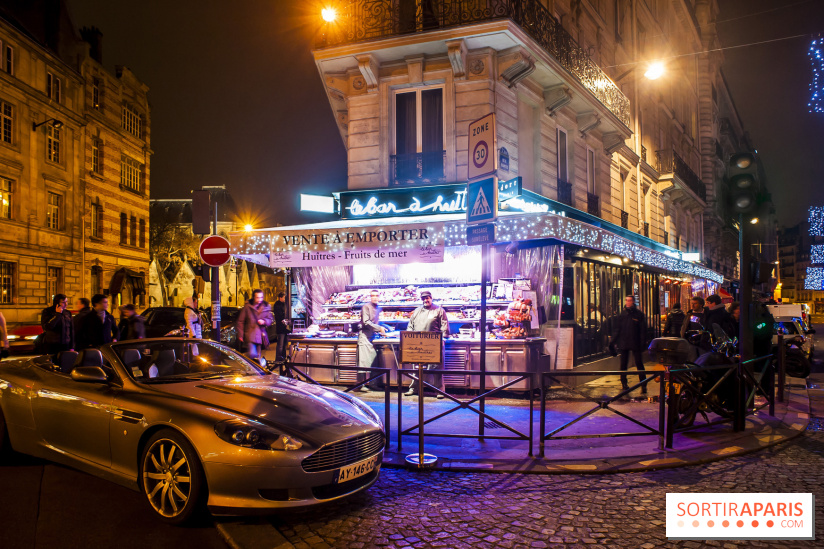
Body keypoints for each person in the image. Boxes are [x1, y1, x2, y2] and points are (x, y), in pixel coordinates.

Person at [405, 290, 449, 398]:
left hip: (434, 344)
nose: (426, 300)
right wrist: (409, 338)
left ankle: (440, 391)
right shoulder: (416, 311)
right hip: (419, 344)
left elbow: (444, 326)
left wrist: (443, 339)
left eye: (427, 298)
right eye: (424, 298)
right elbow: (410, 326)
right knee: (417, 368)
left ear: (431, 298)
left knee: (437, 368)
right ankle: (413, 388)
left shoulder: (439, 310)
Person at [609, 294, 648, 393]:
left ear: (633, 302)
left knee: (639, 363)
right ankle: (624, 383)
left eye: (629, 300)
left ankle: (643, 383)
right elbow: (617, 329)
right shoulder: (622, 315)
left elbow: (642, 330)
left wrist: (642, 343)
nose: (627, 302)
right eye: (626, 300)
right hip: (624, 342)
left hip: (635, 342)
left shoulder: (638, 314)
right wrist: (613, 341)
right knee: (623, 364)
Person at [357, 289, 390, 392]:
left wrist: (386, 327)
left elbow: (377, 322)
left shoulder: (378, 308)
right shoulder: (366, 307)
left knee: (373, 361)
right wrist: (379, 328)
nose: (375, 297)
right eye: (373, 295)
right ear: (370, 297)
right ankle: (360, 385)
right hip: (364, 336)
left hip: (373, 336)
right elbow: (366, 322)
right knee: (362, 362)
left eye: (376, 295)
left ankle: (373, 384)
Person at [236, 289, 273, 360]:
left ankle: (251, 364)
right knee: (252, 353)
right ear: (254, 297)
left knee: (257, 357)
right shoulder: (247, 307)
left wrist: (264, 321)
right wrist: (240, 334)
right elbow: (240, 321)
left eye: (261, 297)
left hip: (260, 336)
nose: (260, 299)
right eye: (258, 297)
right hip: (250, 335)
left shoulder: (266, 307)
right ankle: (247, 361)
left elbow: (270, 320)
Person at [41, 293, 74, 359]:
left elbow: (71, 330)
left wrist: (72, 346)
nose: (66, 304)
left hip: (65, 345)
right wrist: (58, 314)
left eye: (66, 302)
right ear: (57, 303)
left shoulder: (67, 313)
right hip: (52, 345)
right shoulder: (48, 312)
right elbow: (47, 327)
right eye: (63, 302)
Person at [273, 292, 290, 360]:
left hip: (284, 328)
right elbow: (279, 316)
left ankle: (283, 358)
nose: (285, 299)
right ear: (280, 298)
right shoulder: (277, 305)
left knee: (284, 344)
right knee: (280, 344)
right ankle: (278, 359)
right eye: (284, 297)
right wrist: (284, 319)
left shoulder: (284, 304)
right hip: (281, 328)